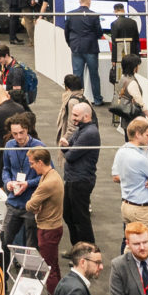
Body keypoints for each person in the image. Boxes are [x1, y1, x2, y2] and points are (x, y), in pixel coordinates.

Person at [112, 115, 148, 244]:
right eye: (147, 135)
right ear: (138, 134)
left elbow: (116, 175)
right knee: (146, 247)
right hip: (142, 210)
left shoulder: (122, 151)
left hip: (126, 206)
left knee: (130, 245)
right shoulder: (140, 158)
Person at [59, 98, 99, 248]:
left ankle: (89, 250)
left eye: (76, 116)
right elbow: (67, 148)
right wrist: (67, 147)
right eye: (72, 115)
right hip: (72, 179)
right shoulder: (81, 130)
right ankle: (77, 248)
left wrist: (66, 147)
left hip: (81, 181)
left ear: (86, 116)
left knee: (81, 218)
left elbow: (69, 155)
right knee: (68, 215)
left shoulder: (90, 133)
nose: (73, 118)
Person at [63, 0, 107, 104]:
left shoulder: (70, 14)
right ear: (89, 1)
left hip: (76, 47)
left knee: (77, 76)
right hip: (91, 47)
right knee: (94, 75)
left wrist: (71, 44)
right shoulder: (94, 15)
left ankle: (78, 98)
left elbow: (66, 32)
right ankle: (97, 99)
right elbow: (99, 32)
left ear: (79, 1)